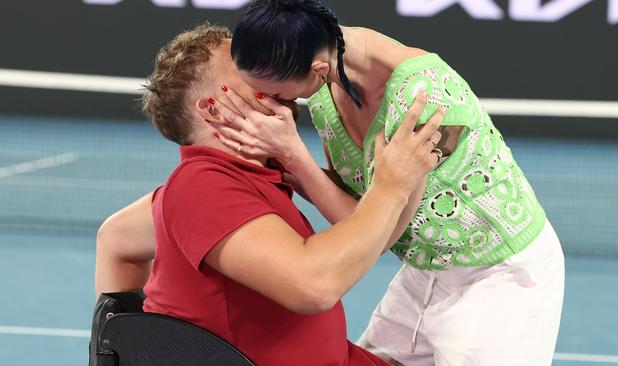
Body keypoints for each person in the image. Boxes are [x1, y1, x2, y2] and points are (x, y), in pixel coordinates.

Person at [208, 1, 565, 365]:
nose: (274, 103)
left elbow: (378, 232)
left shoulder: (427, 103)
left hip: (498, 275)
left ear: (317, 69)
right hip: (426, 270)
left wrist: (293, 156)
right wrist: (280, 168)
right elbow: (359, 198)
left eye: (279, 94)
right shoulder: (325, 88)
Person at [96, 23, 444, 366]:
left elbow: (117, 237)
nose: (265, 66)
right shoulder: (201, 185)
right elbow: (314, 285)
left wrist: (406, 179)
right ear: (213, 108)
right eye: (245, 65)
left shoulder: (251, 176)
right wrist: (389, 185)